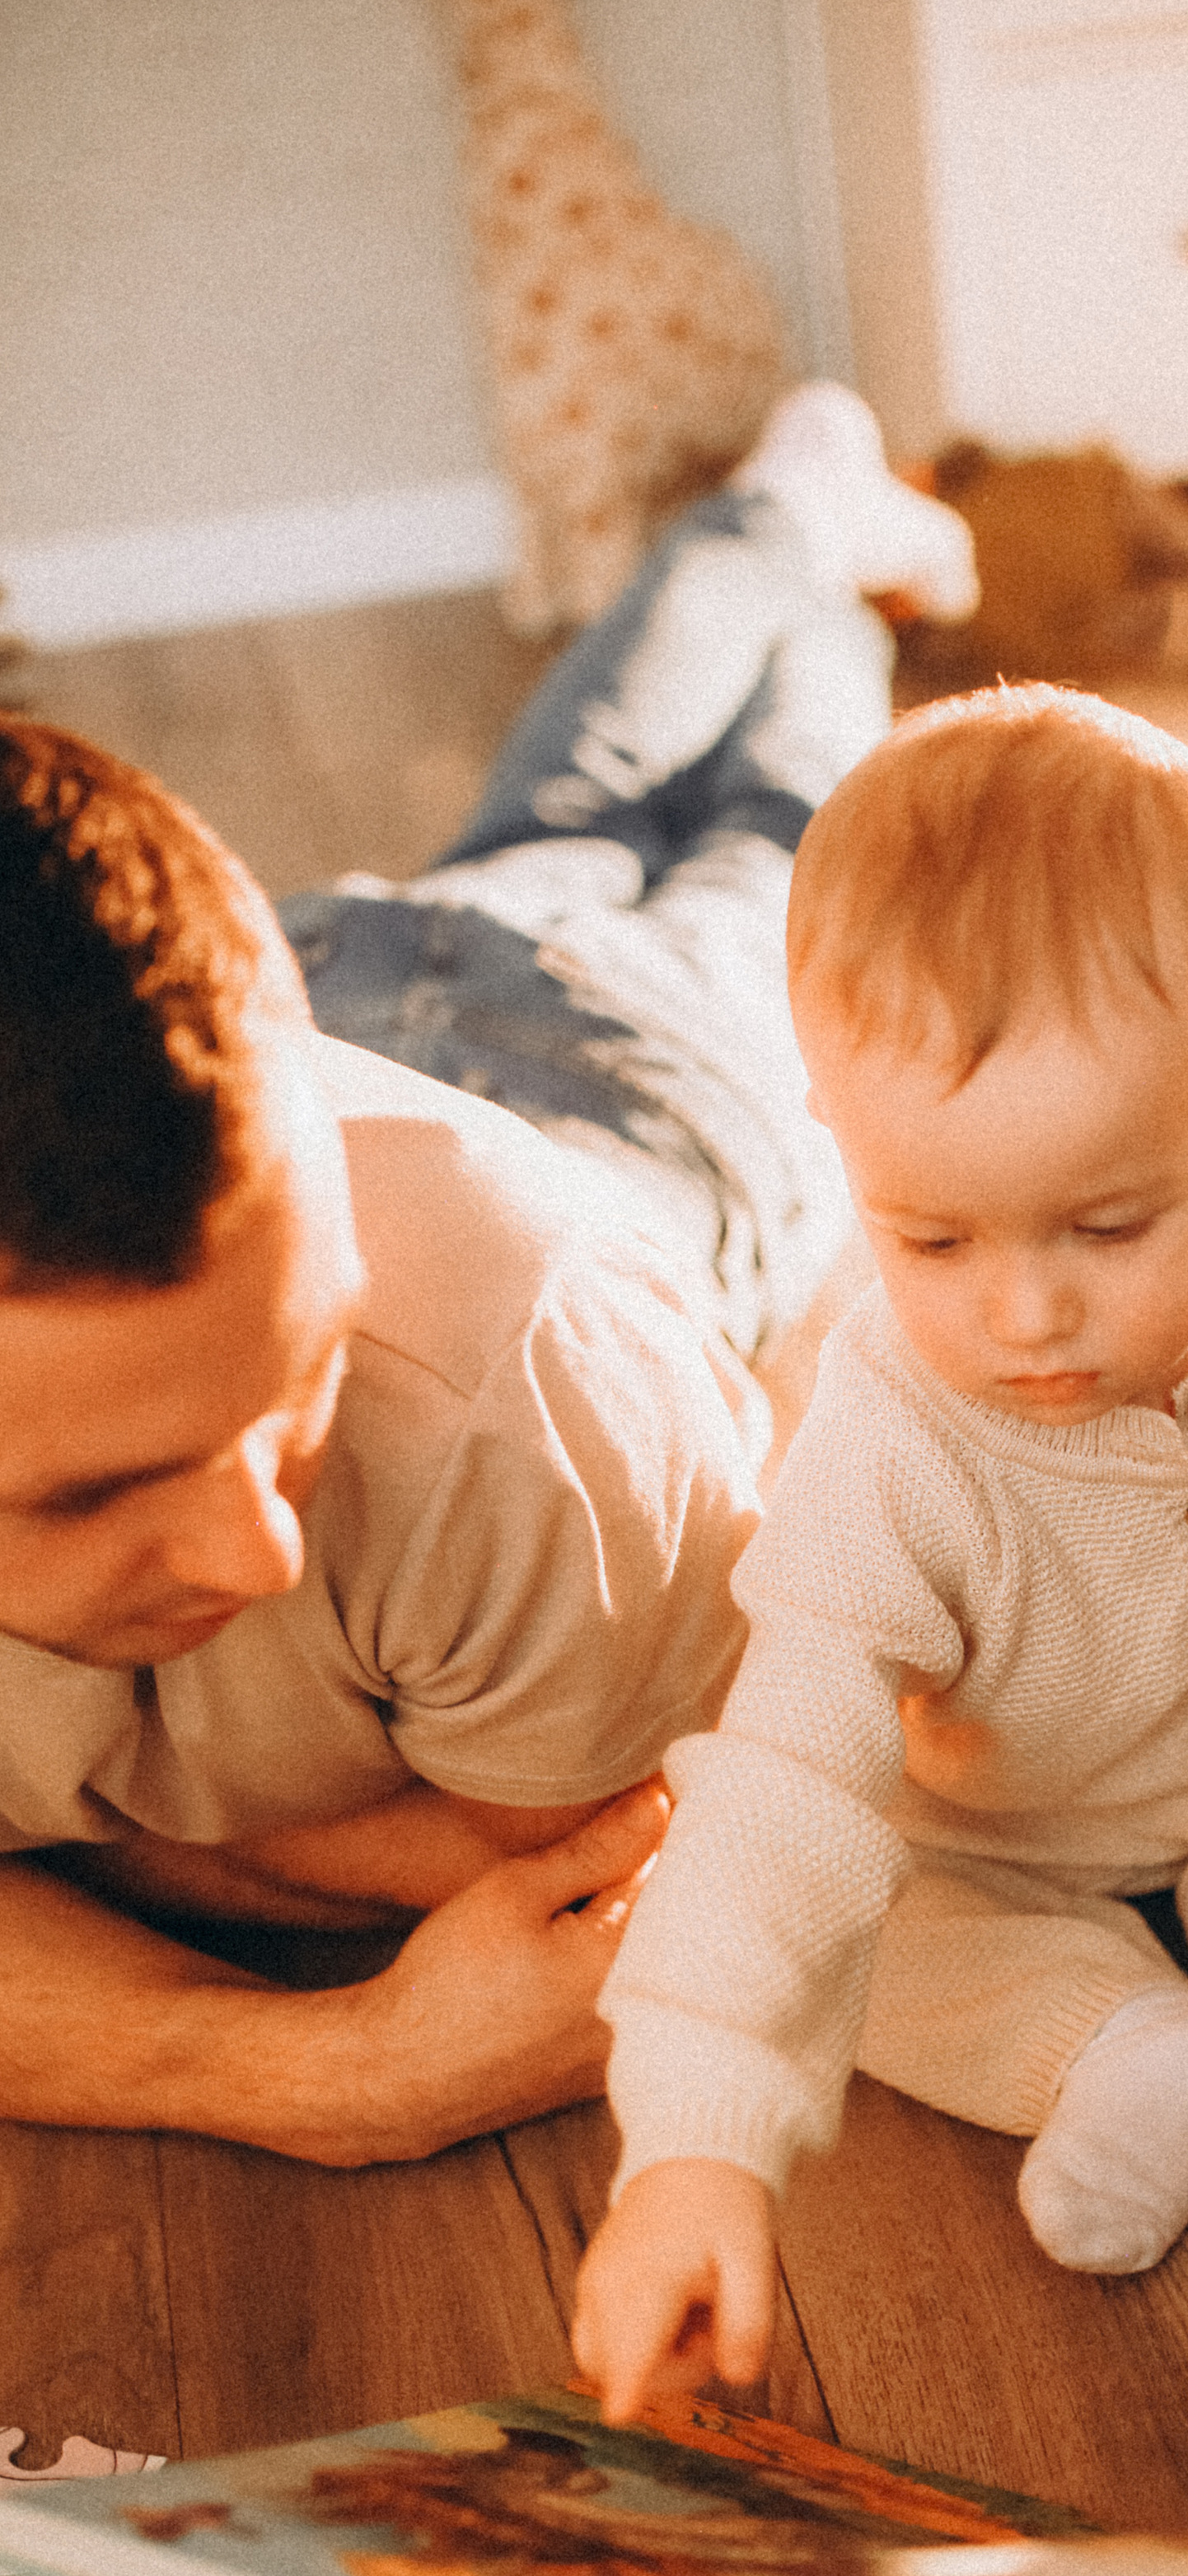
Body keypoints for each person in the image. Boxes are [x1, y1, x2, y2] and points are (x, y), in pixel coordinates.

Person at [0, 386, 976, 2166]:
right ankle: (777, 519)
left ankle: (807, 545)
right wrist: (315, 2065)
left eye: (291, 1382)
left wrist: (94, 1840)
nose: (257, 1551)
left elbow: (577, 1850)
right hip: (333, 975)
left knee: (775, 841)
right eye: (90, 1490)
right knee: (565, 807)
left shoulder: (537, 1407)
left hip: (630, 1084)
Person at [570, 684, 1188, 2419]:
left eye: (1108, 1225)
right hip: (993, 1845)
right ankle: (1124, 2038)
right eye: (928, 1237)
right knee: (862, 1958)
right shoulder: (883, 1447)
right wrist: (694, 2148)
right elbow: (785, 1785)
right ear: (840, 1155)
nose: (1024, 1315)